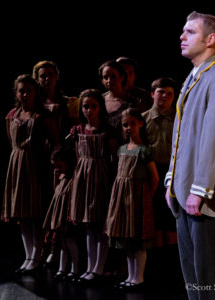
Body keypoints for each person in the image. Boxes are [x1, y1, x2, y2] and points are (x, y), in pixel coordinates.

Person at [164, 11, 215, 300]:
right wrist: (172, 181)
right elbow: (183, 138)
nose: (182, 37)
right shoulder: (193, 78)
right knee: (193, 277)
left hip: (205, 198)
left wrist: (200, 189)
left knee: (211, 278)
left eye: (190, 32)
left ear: (211, 39)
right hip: (185, 193)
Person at [1, 74, 55, 274]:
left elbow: (55, 141)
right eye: (21, 91)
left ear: (35, 93)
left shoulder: (42, 116)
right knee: (21, 215)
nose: (25, 94)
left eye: (29, 91)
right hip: (17, 166)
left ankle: (37, 255)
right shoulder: (12, 115)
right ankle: (28, 255)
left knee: (34, 214)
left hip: (36, 166)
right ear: (16, 93)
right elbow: (11, 141)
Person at [67, 89, 119, 285]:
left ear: (100, 107)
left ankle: (99, 267)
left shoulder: (107, 131)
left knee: (100, 224)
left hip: (101, 177)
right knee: (89, 225)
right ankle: (90, 267)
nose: (89, 110)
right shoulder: (79, 130)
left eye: (93, 106)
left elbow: (114, 158)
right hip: (83, 177)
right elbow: (77, 156)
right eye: (85, 106)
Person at [105, 108, 159, 291]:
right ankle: (130, 275)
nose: (128, 128)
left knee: (138, 240)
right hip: (123, 199)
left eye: (132, 124)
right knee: (127, 240)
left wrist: (146, 196)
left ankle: (139, 277)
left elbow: (155, 177)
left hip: (138, 198)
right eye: (125, 125)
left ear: (140, 124)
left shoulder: (144, 150)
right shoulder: (121, 149)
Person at [32, 60, 79, 267]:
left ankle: (57, 250)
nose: (47, 79)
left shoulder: (68, 103)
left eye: (50, 74)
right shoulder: (33, 104)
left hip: (61, 158)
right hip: (38, 158)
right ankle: (40, 250)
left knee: (59, 206)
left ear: (57, 76)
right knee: (40, 205)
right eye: (42, 76)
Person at [142, 77, 177, 247]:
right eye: (161, 92)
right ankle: (156, 260)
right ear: (152, 94)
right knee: (153, 215)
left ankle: (171, 256)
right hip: (151, 172)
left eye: (169, 93)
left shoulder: (180, 119)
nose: (165, 96)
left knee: (171, 216)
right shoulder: (143, 120)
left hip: (173, 173)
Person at [42, 144, 80, 282]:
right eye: (55, 166)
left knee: (70, 241)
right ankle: (62, 269)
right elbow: (56, 191)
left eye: (59, 165)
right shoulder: (61, 176)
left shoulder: (73, 178)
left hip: (67, 214)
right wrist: (55, 177)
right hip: (59, 214)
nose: (57, 168)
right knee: (62, 243)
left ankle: (75, 269)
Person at [98, 59, 134, 144]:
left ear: (121, 77)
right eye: (105, 77)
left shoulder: (132, 102)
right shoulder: (99, 100)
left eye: (113, 76)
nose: (109, 80)